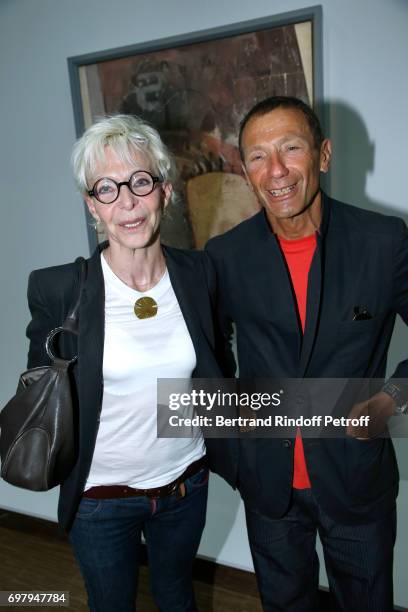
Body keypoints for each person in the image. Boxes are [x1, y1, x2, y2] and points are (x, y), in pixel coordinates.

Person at [205, 96, 408, 611]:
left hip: (356, 482)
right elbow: (207, 362)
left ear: (323, 154)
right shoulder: (226, 255)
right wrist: (235, 452)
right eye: (256, 155)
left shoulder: (384, 242)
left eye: (290, 148)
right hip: (269, 490)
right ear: (245, 170)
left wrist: (390, 399)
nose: (275, 170)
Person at [25, 114, 226, 612]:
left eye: (140, 181)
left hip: (185, 485)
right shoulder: (60, 289)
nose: (128, 202)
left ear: (164, 190)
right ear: (92, 205)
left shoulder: (199, 275)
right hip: (101, 500)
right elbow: (40, 395)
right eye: (107, 189)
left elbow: (214, 370)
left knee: (177, 597)